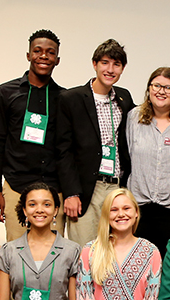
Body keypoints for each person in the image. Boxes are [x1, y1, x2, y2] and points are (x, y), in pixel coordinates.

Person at [55, 39, 135, 248]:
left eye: (116, 65)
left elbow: (147, 114)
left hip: (117, 186)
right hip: (86, 188)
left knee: (115, 249)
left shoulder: (124, 98)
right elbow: (63, 150)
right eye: (105, 63)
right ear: (94, 64)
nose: (110, 70)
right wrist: (71, 193)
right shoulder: (71, 98)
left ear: (123, 68)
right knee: (84, 251)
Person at [0, 30, 66, 241]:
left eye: (50, 53)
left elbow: (66, 148)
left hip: (53, 188)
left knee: (54, 254)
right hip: (15, 185)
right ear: (28, 55)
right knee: (16, 251)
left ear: (57, 60)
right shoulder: (7, 92)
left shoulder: (65, 98)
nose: (43, 56)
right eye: (38, 51)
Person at [127, 67, 170, 256]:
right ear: (149, 89)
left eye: (168, 87)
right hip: (139, 208)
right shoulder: (133, 118)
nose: (161, 91)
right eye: (156, 85)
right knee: (139, 266)